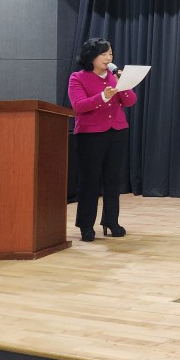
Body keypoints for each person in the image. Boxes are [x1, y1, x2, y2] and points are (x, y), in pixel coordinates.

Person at [68, 38, 138, 242]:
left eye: (111, 54)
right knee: (90, 180)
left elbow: (130, 101)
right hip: (90, 134)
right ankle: (86, 226)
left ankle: (111, 222)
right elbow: (79, 106)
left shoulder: (114, 76)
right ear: (91, 56)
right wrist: (103, 97)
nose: (109, 58)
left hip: (117, 131)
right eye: (104, 54)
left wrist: (124, 84)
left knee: (113, 179)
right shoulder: (78, 77)